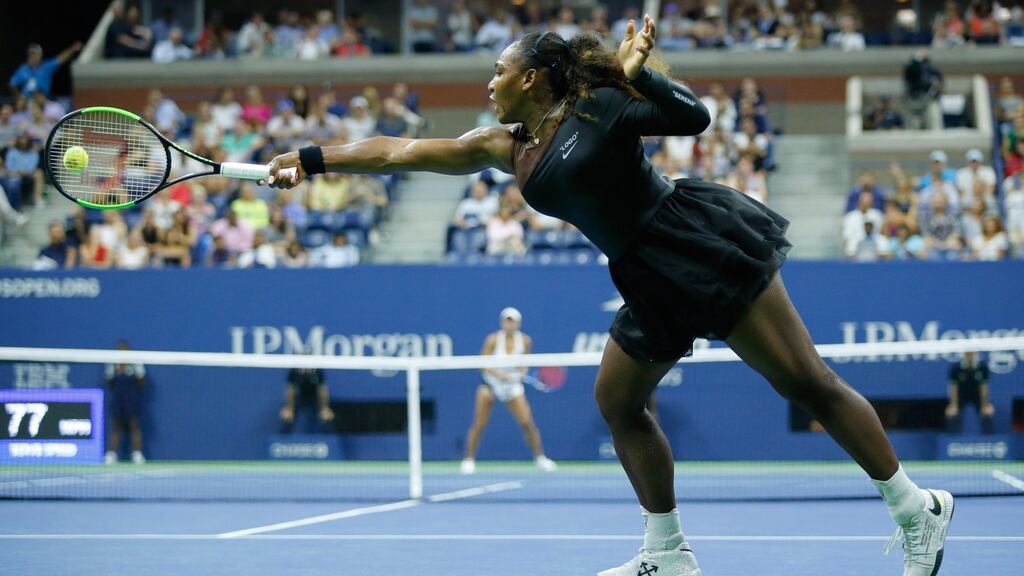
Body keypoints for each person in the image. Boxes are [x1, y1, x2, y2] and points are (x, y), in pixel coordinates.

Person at [268, 16, 953, 576]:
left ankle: (913, 507)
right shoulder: (506, 147)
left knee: (808, 383)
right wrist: (314, 157)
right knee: (617, 400)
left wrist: (642, 74)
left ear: (531, 77)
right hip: (643, 273)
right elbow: (398, 152)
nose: (490, 81)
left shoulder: (594, 106)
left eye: (499, 71)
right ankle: (667, 550)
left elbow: (695, 118)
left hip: (695, 241)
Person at [459, 307, 557, 475]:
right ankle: (468, 460)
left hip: (512, 387)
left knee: (527, 423)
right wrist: (499, 374)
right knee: (479, 424)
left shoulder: (525, 340)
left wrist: (522, 372)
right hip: (490, 385)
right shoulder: (492, 340)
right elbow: (482, 364)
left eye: (512, 321)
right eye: (506, 320)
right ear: (502, 322)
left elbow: (525, 363)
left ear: (518, 323)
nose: (509, 324)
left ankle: (540, 458)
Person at [104, 340, 147, 464]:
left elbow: (142, 381)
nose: (121, 351)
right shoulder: (112, 363)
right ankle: (111, 454)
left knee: (134, 425)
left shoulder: (135, 362)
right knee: (115, 426)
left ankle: (137, 454)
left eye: (124, 349)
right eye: (119, 349)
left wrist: (132, 393)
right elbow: (110, 383)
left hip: (132, 399)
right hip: (118, 399)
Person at [9, 42, 82, 99]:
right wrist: (19, 97)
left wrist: (72, 49)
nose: (31, 57)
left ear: (40, 56)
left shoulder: (46, 67)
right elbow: (12, 84)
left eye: (34, 55)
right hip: (27, 101)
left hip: (42, 100)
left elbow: (60, 59)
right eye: (30, 55)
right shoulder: (23, 68)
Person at [946, 351, 994, 435]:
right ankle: (953, 439)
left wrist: (985, 405)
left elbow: (984, 388)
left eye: (972, 354)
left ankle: (988, 439)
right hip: (961, 397)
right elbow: (953, 388)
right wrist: (953, 405)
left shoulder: (982, 367)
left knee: (988, 412)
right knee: (951, 413)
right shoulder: (956, 368)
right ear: (964, 354)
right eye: (967, 354)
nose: (970, 356)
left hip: (977, 397)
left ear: (975, 354)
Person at [279, 365, 334, 434]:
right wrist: (289, 408)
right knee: (286, 416)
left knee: (327, 416)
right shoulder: (295, 370)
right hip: (299, 398)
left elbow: (322, 390)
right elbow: (290, 390)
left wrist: (324, 408)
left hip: (315, 399)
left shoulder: (317, 370)